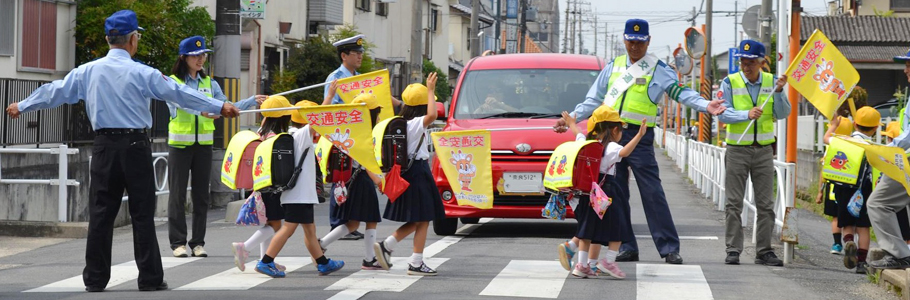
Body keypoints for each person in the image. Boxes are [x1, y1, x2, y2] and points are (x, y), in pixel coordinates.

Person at [4, 10, 239, 292]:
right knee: (142, 213)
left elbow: (55, 91)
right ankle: (150, 278)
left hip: (103, 147)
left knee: (101, 213)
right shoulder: (143, 72)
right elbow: (178, 93)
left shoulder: (87, 71)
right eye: (137, 36)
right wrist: (218, 106)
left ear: (108, 39)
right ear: (132, 39)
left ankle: (95, 278)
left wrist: (23, 105)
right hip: (136, 146)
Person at [553, 19, 727, 265]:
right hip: (609, 135)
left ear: (648, 42)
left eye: (640, 42)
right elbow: (593, 99)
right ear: (624, 40)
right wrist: (573, 117)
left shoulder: (657, 68)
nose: (635, 47)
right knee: (616, 194)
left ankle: (669, 248)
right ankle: (627, 246)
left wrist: (705, 105)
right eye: (631, 41)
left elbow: (680, 92)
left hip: (639, 137)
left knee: (652, 192)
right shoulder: (613, 67)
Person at [167, 35, 267, 258]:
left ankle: (198, 243)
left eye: (203, 55)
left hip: (203, 145)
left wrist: (251, 100)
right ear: (184, 58)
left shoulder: (209, 83)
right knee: (177, 196)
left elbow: (225, 106)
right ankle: (177, 243)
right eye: (196, 55)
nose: (201, 59)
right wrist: (203, 111)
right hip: (179, 146)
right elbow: (181, 104)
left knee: (202, 195)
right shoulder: (173, 82)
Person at [716, 40, 790, 266]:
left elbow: (783, 112)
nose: (746, 66)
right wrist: (745, 115)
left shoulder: (772, 82)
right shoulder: (729, 82)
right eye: (742, 62)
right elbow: (721, 113)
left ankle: (764, 250)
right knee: (733, 202)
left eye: (750, 62)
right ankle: (733, 249)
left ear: (761, 62)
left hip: (764, 150)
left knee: (766, 204)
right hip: (737, 148)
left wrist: (778, 92)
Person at [324, 34, 403, 240]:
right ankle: (337, 224)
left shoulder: (358, 78)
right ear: (344, 55)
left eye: (361, 53)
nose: (360, 56)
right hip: (342, 135)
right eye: (356, 53)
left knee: (354, 178)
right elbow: (329, 109)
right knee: (341, 177)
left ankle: (349, 222)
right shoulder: (335, 78)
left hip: (359, 134)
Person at [255, 100, 345, 278]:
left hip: (298, 193)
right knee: (288, 228)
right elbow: (318, 119)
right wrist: (331, 96)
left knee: (310, 230)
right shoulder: (300, 135)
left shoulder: (289, 135)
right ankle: (265, 261)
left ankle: (323, 263)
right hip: (299, 194)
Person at [559, 106, 646, 279]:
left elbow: (579, 133)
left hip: (587, 192)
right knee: (619, 226)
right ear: (615, 129)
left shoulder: (586, 143)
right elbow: (624, 152)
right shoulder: (612, 146)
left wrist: (571, 124)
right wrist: (639, 135)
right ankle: (608, 261)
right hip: (607, 191)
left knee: (588, 229)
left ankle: (582, 265)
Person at [374, 73, 446, 276]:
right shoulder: (415, 124)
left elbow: (398, 103)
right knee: (424, 218)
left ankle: (388, 245)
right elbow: (432, 116)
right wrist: (430, 89)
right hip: (418, 172)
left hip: (407, 172)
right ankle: (415, 262)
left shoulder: (398, 122)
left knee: (420, 218)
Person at [317, 93, 387, 270]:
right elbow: (365, 163)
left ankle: (322, 244)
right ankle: (369, 260)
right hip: (360, 180)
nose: (379, 117)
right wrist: (379, 181)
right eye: (377, 112)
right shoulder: (364, 132)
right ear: (370, 113)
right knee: (371, 220)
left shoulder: (347, 127)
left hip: (346, 180)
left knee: (353, 223)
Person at [230, 96, 294, 273]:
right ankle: (245, 247)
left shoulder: (261, 132)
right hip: (271, 187)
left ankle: (266, 259)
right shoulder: (277, 138)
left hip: (260, 184)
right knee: (276, 226)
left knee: (270, 223)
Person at [822, 107, 881, 274]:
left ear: (855, 124)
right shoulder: (872, 147)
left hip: (844, 187)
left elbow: (826, 138)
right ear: (876, 128)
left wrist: (834, 125)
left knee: (847, 222)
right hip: (864, 190)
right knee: (863, 226)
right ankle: (862, 262)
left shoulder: (844, 140)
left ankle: (848, 241)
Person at [866, 48, 910, 269]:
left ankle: (899, 254)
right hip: (904, 160)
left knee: (878, 203)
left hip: (906, 162)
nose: (906, 70)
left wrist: (887, 149)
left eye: (909, 65)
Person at [816, 116, 852, 255]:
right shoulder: (855, 146)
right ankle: (850, 242)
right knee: (849, 219)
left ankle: (837, 244)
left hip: (833, 188)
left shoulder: (832, 148)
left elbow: (823, 172)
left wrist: (820, 191)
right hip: (850, 189)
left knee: (836, 217)